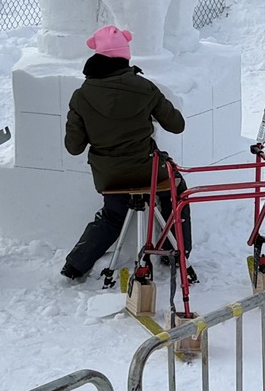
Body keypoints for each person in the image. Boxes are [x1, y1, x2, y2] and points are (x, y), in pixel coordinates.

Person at [60, 26, 194, 280]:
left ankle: (75, 265)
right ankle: (176, 253)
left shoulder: (81, 95)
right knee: (175, 191)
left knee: (113, 215)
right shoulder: (144, 87)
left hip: (108, 176)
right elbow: (177, 125)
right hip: (148, 170)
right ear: (125, 56)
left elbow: (73, 147)